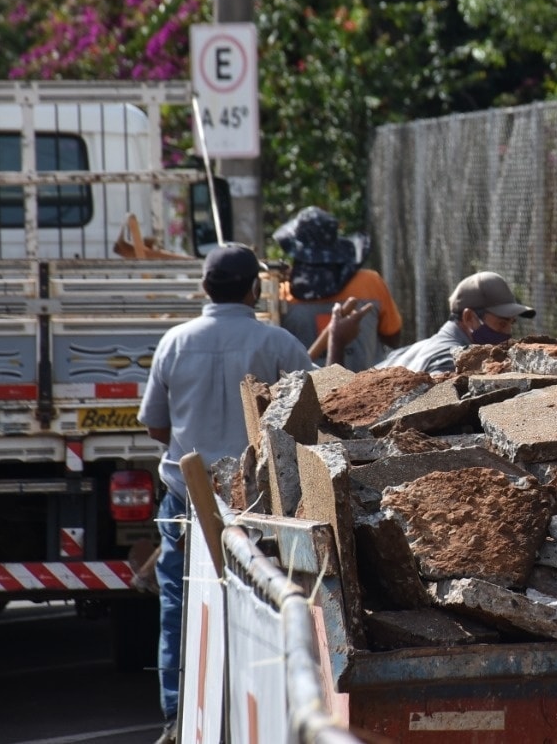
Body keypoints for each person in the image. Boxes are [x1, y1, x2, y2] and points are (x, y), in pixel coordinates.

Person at [137, 242, 361, 744]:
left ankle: (177, 720)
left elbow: (156, 425)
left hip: (187, 503)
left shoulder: (174, 343)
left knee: (179, 606)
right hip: (253, 506)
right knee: (264, 607)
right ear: (253, 288)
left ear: (203, 288)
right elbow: (314, 406)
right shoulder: (276, 344)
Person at [274, 206, 402, 371]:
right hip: (371, 390)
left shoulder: (282, 294)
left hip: (304, 394)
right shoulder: (370, 282)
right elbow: (392, 338)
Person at [378, 270, 534, 374]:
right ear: (469, 318)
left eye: (511, 323)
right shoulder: (450, 362)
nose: (507, 333)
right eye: (502, 323)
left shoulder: (408, 351)